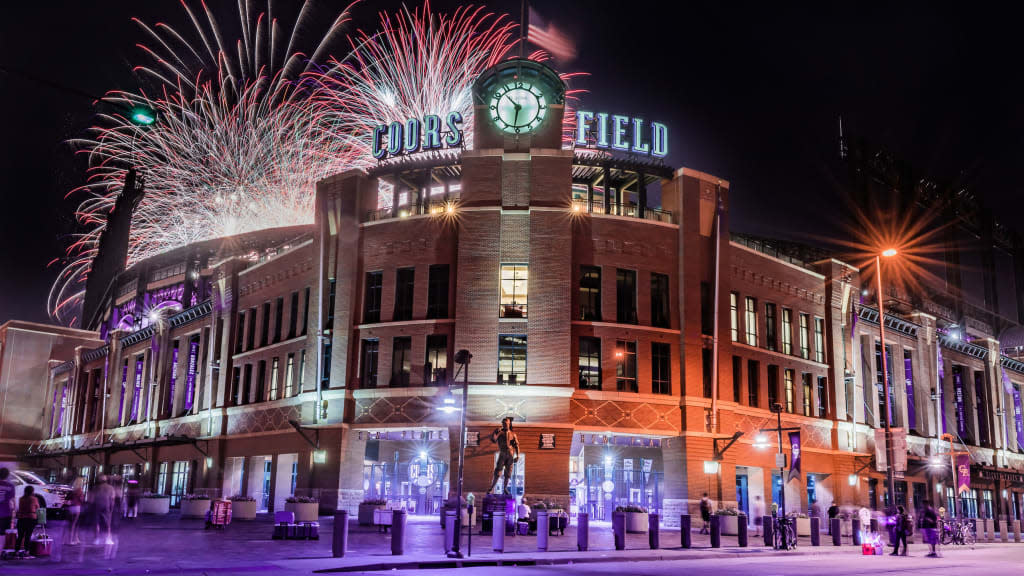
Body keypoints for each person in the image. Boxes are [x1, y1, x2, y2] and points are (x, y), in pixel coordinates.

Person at [487, 417, 520, 495]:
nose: (504, 424)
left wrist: (518, 455)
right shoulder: (500, 432)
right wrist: (495, 433)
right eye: (503, 423)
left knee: (508, 473)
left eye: (506, 423)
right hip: (502, 453)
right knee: (497, 471)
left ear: (509, 424)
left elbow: (517, 445)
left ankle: (505, 488)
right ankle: (491, 487)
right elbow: (493, 440)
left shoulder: (513, 434)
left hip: (510, 454)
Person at [15, 485, 39, 555]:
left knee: (20, 535)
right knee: (28, 535)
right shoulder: (34, 499)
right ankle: (26, 551)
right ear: (32, 491)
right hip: (31, 518)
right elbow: (37, 508)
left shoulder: (21, 499)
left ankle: (16, 550)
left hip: (21, 518)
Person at [92, 475, 115, 546]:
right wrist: (111, 508)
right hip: (106, 506)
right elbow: (112, 499)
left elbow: (92, 498)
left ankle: (96, 539)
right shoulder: (110, 488)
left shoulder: (95, 488)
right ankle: (108, 539)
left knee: (97, 523)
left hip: (96, 506)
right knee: (108, 523)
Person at [68, 477, 85, 545]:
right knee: (74, 524)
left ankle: (75, 538)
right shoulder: (80, 490)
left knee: (71, 524)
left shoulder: (73, 490)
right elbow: (81, 499)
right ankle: (70, 540)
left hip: (71, 507)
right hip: (77, 507)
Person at [0, 468, 15, 536]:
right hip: (6, 513)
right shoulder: (11, 486)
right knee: (4, 535)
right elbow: (12, 501)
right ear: (7, 475)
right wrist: (13, 517)